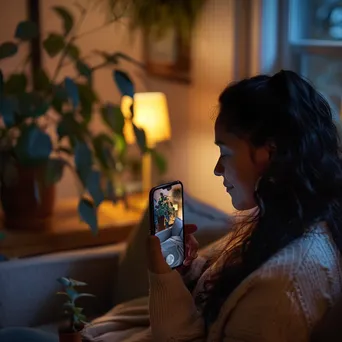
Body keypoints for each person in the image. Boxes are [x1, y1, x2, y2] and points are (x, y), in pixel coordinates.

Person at [1, 70, 342, 342]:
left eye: (225, 153)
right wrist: (185, 270)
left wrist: (162, 276)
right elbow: (206, 300)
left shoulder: (288, 279)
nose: (217, 170)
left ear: (267, 154)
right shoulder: (271, 221)